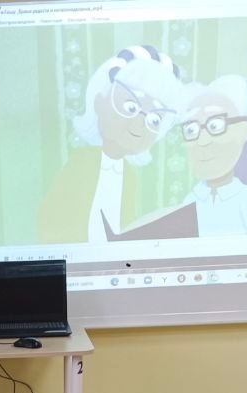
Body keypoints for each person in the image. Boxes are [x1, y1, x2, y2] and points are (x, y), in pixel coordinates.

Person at [37, 45, 186, 244]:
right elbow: (51, 217)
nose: (139, 124)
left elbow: (126, 222)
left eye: (154, 119)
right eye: (131, 107)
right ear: (99, 102)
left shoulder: (129, 175)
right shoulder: (82, 163)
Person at [180, 76, 247, 236]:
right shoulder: (189, 201)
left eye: (215, 126)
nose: (203, 141)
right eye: (191, 130)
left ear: (243, 131)